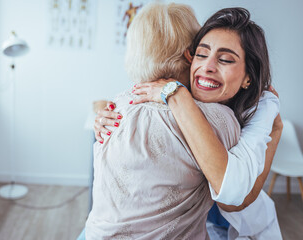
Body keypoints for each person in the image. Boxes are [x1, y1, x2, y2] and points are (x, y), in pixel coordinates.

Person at [93, 6, 283, 240]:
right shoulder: (219, 120)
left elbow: (235, 193)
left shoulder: (124, 101)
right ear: (187, 57)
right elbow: (236, 199)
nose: (208, 66)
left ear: (249, 77)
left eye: (225, 59)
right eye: (200, 54)